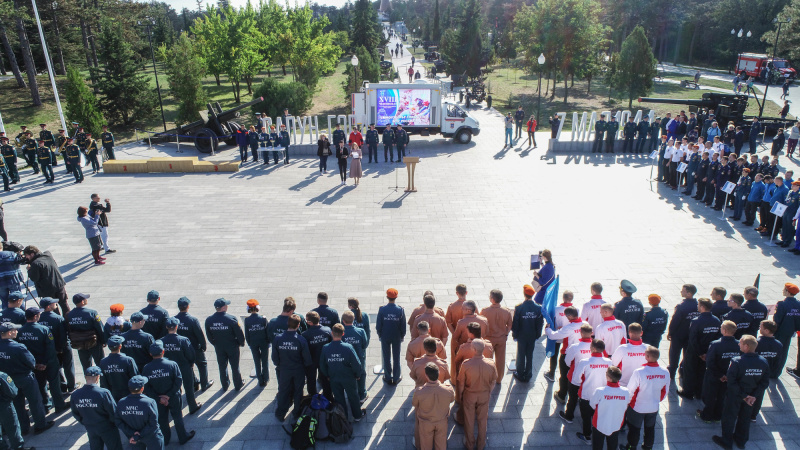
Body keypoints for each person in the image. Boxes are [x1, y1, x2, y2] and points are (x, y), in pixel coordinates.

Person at [712, 335, 770, 450]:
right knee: (745, 418)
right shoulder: (763, 362)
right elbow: (764, 382)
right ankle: (741, 441)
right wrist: (753, 396)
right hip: (751, 397)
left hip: (736, 395)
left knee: (729, 417)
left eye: (741, 343)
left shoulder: (737, 361)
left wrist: (744, 395)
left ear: (746, 346)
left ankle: (726, 441)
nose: (739, 344)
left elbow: (731, 381)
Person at [0, 322, 53, 436]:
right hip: (24, 378)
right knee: (35, 401)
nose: (17, 332)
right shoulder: (18, 347)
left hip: (8, 380)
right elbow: (31, 362)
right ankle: (40, 425)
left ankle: (24, 427)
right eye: (15, 330)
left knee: (17, 403)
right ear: (9, 333)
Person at [142, 341, 195, 445]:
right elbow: (178, 381)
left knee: (162, 419)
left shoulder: (146, 368)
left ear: (150, 354)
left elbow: (146, 387)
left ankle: (165, 439)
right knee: (177, 416)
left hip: (157, 399)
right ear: (163, 351)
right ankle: (182, 437)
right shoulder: (172, 364)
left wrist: (159, 398)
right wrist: (168, 395)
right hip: (173, 396)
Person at [18, 306, 67, 413]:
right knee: (54, 383)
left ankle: (46, 405)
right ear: (36, 317)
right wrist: (44, 362)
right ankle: (59, 404)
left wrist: (34, 364)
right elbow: (50, 348)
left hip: (33, 364)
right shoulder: (44, 330)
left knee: (41, 385)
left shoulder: (20, 331)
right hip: (48, 362)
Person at [622, 346, 669, 450]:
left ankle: (631, 447)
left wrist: (627, 403)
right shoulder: (665, 372)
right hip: (653, 407)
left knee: (634, 429)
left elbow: (630, 391)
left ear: (647, 357)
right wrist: (655, 400)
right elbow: (665, 391)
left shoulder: (639, 372)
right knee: (650, 428)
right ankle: (648, 447)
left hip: (637, 407)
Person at [70, 365, 123, 450]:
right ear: (98, 377)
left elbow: (75, 413)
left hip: (90, 427)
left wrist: (85, 422)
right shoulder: (103, 393)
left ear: (85, 377)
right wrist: (115, 423)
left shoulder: (75, 394)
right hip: (107, 427)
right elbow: (113, 411)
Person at [319, 323, 365, 421]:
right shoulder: (348, 347)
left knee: (339, 398)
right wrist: (357, 375)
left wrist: (327, 375)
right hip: (348, 377)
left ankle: (343, 418)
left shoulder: (326, 348)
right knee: (353, 397)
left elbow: (322, 365)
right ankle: (357, 415)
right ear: (343, 334)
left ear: (332, 333)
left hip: (334, 377)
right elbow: (357, 364)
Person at [698, 320, 741, 423]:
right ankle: (718, 416)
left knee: (710, 395)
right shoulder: (739, 344)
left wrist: (720, 375)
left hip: (714, 376)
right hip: (729, 376)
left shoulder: (716, 344)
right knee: (722, 396)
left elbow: (710, 362)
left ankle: (707, 416)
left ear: (724, 330)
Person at [457, 339, 496, 450]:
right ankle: (481, 444)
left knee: (469, 421)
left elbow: (461, 383)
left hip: (470, 395)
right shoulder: (491, 364)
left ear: (473, 349)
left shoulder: (466, 364)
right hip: (484, 395)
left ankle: (470, 444)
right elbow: (493, 381)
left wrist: (460, 395)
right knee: (482, 420)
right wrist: (489, 391)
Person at [678, 298, 720, 399]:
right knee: (702, 372)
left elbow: (693, 339)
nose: (697, 307)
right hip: (708, 352)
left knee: (690, 371)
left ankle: (688, 392)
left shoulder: (696, 321)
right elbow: (717, 337)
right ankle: (699, 392)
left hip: (694, 352)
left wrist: (700, 353)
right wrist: (706, 353)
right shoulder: (716, 320)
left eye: (698, 305)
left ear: (702, 307)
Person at [271, 314, 311, 421]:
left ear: (287, 324)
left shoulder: (278, 339)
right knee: (298, 391)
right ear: (298, 326)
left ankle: (280, 413)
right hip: (298, 370)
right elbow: (307, 358)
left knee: (283, 390)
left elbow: (274, 357)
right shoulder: (301, 340)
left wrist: (279, 365)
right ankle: (297, 412)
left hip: (284, 369)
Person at [573, 339, 612, 444]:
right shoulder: (609, 362)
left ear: (593, 349)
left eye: (590, 346)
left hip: (587, 395)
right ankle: (598, 435)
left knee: (586, 418)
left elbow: (576, 379)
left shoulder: (585, 362)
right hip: (602, 396)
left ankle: (587, 436)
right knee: (598, 416)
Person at [161, 317, 201, 414]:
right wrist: (191, 362)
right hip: (184, 366)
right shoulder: (183, 340)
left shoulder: (161, 341)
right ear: (176, 327)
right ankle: (192, 406)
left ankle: (177, 408)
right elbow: (190, 354)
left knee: (175, 388)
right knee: (189, 386)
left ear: (167, 327)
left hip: (169, 368)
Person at [412, 362, 455, 450]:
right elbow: (452, 400)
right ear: (438, 373)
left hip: (426, 423)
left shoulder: (419, 391)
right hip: (442, 421)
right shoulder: (449, 389)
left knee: (425, 446)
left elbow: (414, 404)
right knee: (441, 445)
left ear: (426, 376)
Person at [205, 298, 245, 391]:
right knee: (235, 366)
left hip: (219, 347)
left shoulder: (209, 320)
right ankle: (238, 384)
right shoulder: (231, 319)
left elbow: (209, 336)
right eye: (226, 305)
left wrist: (215, 344)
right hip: (232, 346)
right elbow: (239, 333)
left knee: (222, 366)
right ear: (223, 308)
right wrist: (241, 343)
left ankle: (225, 384)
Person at [556, 323, 593, 424]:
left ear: (580, 333)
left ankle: (569, 416)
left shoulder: (574, 347)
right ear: (592, 333)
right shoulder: (596, 346)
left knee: (572, 397)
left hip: (575, 376)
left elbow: (567, 362)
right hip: (590, 377)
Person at [115, 375, 164, 449]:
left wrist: (133, 434)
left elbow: (118, 421)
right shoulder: (149, 402)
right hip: (151, 436)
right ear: (142, 388)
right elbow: (153, 423)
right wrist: (140, 434)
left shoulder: (121, 403)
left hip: (134, 438)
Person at [175, 296, 213, 392]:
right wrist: (203, 346)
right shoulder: (192, 320)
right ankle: (204, 384)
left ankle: (195, 383)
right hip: (194, 348)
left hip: (181, 350)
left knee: (188, 367)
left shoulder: (174, 320)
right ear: (188, 306)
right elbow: (199, 334)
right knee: (202, 365)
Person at [38, 297, 76, 393]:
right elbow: (63, 335)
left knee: (56, 368)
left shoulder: (39, 319)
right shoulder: (58, 318)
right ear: (48, 306)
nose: (56, 304)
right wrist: (61, 348)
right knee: (68, 366)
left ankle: (62, 386)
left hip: (49, 349)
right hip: (62, 348)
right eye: (53, 303)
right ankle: (71, 386)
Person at [589, 366, 630, 450]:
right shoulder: (626, 392)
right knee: (612, 444)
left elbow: (592, 404)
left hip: (599, 423)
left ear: (608, 378)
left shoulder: (600, 391)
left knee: (597, 445)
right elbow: (626, 405)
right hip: (616, 423)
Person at [23, 245, 70, 314]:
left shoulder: (35, 264)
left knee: (52, 308)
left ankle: (58, 322)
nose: (26, 257)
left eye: (26, 255)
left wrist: (29, 270)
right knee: (64, 305)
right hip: (59, 285)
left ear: (32, 254)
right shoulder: (48, 255)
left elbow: (34, 278)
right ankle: (68, 322)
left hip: (48, 290)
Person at [67, 293, 106, 371]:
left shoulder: (69, 315)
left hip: (79, 343)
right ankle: (103, 381)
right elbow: (100, 328)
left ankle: (89, 381)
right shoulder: (92, 313)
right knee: (101, 364)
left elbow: (69, 329)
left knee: (86, 366)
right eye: (85, 299)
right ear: (82, 302)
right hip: (94, 342)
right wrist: (103, 340)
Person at [377, 288, 406, 385]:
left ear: (387, 297)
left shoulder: (382, 309)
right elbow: (403, 325)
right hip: (396, 336)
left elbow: (378, 325)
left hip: (385, 335)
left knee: (386, 356)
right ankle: (396, 377)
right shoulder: (400, 310)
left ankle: (388, 377)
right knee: (396, 356)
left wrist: (380, 334)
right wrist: (402, 335)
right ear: (396, 297)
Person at [301, 311, 332, 400]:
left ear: (310, 322)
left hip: (311, 361)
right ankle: (328, 395)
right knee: (325, 379)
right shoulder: (327, 330)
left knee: (311, 380)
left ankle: (312, 395)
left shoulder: (305, 335)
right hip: (324, 360)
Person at [99, 335, 139, 402]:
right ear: (120, 346)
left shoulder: (103, 362)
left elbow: (103, 381)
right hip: (128, 394)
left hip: (112, 394)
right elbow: (135, 377)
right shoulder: (128, 360)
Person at [0, 368, 31, 450]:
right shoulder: (2, 376)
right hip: (4, 405)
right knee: (13, 427)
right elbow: (13, 392)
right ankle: (18, 447)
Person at [774, 283, 800, 374]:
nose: (782, 290)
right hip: (790, 332)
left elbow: (777, 319)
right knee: (784, 351)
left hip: (780, 331)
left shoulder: (782, 304)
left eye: (784, 289)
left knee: (776, 351)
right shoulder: (798, 304)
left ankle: (773, 371)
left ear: (788, 292)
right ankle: (778, 371)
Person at [243, 299, 269, 387]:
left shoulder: (247, 320)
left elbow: (247, 334)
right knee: (265, 361)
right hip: (263, 342)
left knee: (257, 362)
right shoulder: (263, 319)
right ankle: (266, 378)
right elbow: (267, 331)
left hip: (253, 343)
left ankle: (260, 379)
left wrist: (249, 343)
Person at [779, 181, 800, 247]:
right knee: (784, 225)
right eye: (792, 185)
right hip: (786, 210)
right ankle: (783, 239)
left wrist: (796, 216)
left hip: (792, 212)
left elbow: (798, 206)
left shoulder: (798, 194)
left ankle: (787, 241)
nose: (792, 186)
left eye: (794, 185)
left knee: (789, 227)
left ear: (798, 186)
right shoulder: (790, 192)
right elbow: (787, 200)